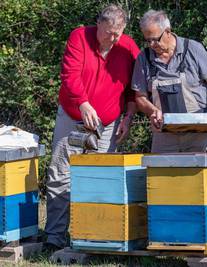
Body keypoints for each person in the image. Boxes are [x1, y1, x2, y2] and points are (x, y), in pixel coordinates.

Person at [43, 4, 140, 251]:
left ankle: (95, 238)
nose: (113, 38)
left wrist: (128, 117)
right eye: (108, 32)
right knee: (61, 174)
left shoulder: (128, 47)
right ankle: (54, 237)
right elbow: (70, 75)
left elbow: (135, 88)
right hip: (73, 116)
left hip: (108, 124)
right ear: (99, 24)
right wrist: (84, 104)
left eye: (118, 33)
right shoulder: (79, 37)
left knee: (99, 179)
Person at [131, 10, 207, 153]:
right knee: (161, 174)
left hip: (199, 133)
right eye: (148, 40)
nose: (152, 44)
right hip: (164, 134)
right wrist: (153, 111)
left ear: (168, 31)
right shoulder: (143, 59)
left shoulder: (193, 49)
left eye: (155, 39)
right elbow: (140, 97)